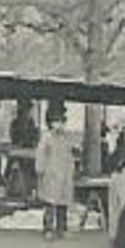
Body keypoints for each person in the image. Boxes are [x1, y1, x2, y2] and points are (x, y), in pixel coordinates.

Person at [34, 103, 76, 240]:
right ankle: (48, 228)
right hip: (51, 172)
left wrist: (72, 169)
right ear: (52, 123)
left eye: (62, 122)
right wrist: (40, 169)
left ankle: (62, 228)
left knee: (63, 203)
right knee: (50, 203)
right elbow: (40, 154)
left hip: (65, 173)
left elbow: (71, 154)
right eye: (56, 122)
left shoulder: (67, 137)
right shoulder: (46, 137)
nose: (59, 125)